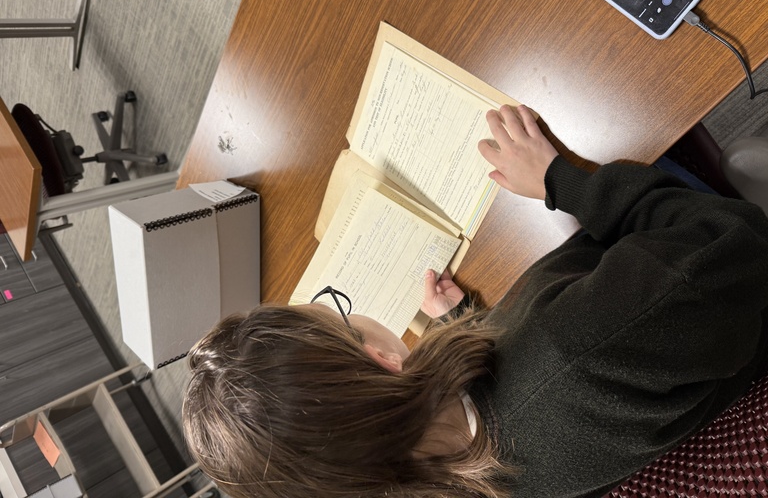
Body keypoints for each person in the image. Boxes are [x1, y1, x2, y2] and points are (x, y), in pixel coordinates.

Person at [183, 104, 768, 498]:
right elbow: (737, 242)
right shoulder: (580, 349)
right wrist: (561, 183)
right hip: (715, 279)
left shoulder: (438, 474)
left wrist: (466, 323)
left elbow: (516, 407)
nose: (347, 309)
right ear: (384, 361)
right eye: (336, 312)